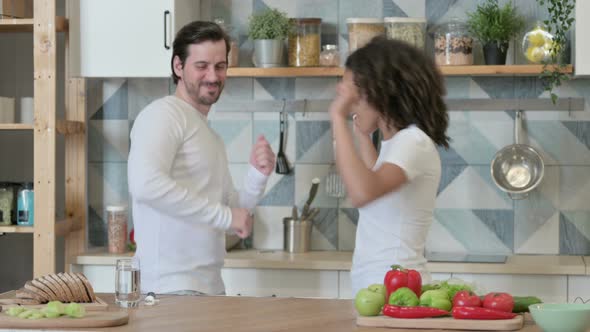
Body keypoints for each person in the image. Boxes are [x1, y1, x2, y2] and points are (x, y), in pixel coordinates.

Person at [127, 21, 275, 295]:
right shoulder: (164, 114)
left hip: (206, 288)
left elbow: (229, 207)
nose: (213, 76)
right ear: (178, 67)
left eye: (220, 66)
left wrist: (257, 176)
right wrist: (225, 216)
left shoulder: (209, 135)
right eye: (202, 66)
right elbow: (145, 184)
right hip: (169, 290)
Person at [329, 36, 449, 296]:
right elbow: (378, 189)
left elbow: (363, 192)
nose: (350, 103)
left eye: (353, 94)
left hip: (397, 290)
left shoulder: (413, 142)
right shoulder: (398, 144)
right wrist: (361, 135)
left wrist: (337, 116)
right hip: (384, 287)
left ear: (380, 92)